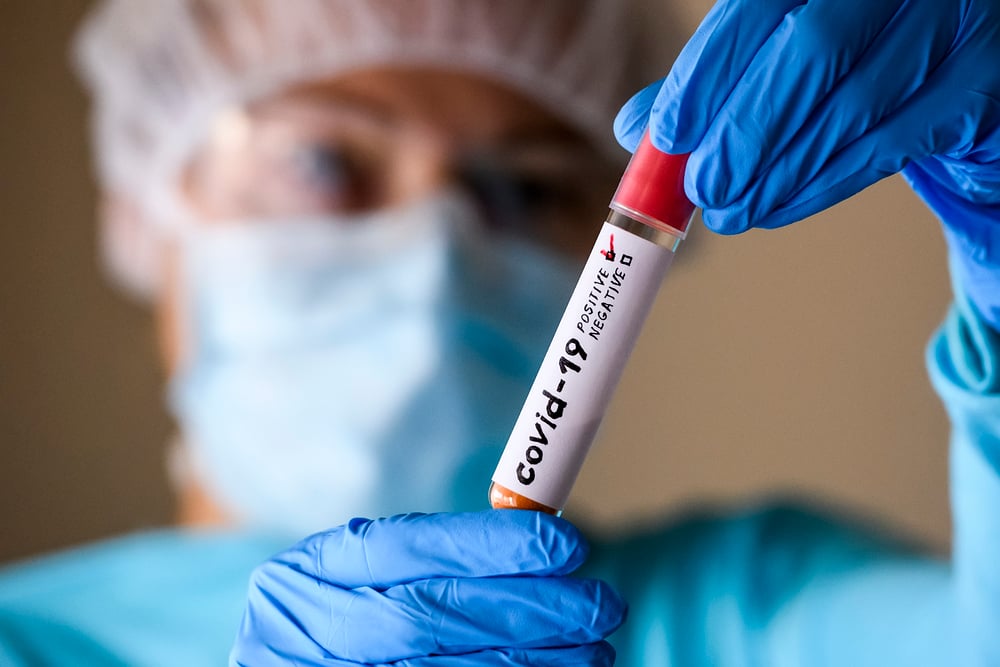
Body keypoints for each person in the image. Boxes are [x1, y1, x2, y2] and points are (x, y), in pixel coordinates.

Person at [0, 0, 997, 665]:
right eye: (322, 163)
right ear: (147, 209)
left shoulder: (744, 610)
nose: (436, 252)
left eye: (523, 187)